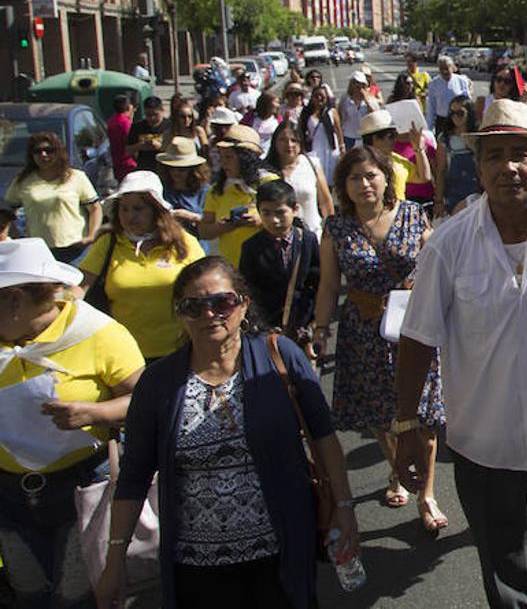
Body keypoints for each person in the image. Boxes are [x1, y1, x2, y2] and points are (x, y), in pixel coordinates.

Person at [396, 98, 527, 608]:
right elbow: (418, 337)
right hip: (483, 444)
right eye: (494, 155)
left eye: (521, 153)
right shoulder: (447, 244)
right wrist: (406, 427)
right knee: (505, 580)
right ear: (480, 167)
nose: (508, 166)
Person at [95, 257, 357, 609]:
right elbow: (133, 477)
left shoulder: (280, 356)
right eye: (193, 306)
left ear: (243, 303)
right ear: (180, 313)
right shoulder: (158, 384)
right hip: (196, 568)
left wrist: (344, 508)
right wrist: (115, 561)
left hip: (280, 554)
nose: (209, 315)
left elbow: (324, 439)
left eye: (222, 302)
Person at [0, 238, 144, 609]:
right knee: (28, 595)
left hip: (80, 491)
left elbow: (146, 402)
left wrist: (94, 414)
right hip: (8, 496)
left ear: (14, 299)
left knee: (75, 600)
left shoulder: (97, 332)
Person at [313, 147, 445, 531]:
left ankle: (427, 494)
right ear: (344, 186)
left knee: (425, 414)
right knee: (379, 416)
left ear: (387, 178)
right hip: (363, 331)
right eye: (355, 178)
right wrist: (321, 330)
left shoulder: (412, 215)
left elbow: (436, 267)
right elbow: (327, 285)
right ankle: (397, 469)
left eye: (371, 175)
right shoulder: (335, 228)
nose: (365, 184)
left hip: (413, 328)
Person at [77, 170, 204, 361]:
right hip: (122, 353)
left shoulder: (183, 242)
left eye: (138, 209)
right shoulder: (108, 243)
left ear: (156, 210)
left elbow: (205, 287)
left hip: (180, 352)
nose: (129, 216)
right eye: (124, 209)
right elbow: (81, 286)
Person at [239, 180, 320, 339]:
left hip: (302, 327)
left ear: (295, 209)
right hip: (266, 329)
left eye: (280, 212)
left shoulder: (307, 241)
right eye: (266, 213)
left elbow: (317, 282)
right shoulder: (251, 247)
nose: (274, 220)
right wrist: (260, 325)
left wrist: (314, 323)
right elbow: (248, 289)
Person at [4, 132, 101, 263]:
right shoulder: (22, 180)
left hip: (76, 249)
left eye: (48, 150)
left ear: (58, 152)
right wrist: (17, 238)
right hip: (39, 251)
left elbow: (95, 208)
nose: (43, 155)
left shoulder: (76, 177)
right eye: (37, 151)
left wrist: (91, 236)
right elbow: (7, 212)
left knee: (75, 284)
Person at [198, 126, 278, 267]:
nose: (224, 163)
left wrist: (261, 221)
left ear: (245, 158)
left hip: (266, 265)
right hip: (230, 267)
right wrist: (223, 227)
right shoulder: (217, 190)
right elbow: (204, 231)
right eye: (221, 156)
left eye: (229, 156)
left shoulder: (270, 183)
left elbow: (288, 217)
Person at [265, 120, 333, 238]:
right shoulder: (265, 170)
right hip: (277, 239)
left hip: (312, 235)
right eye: (283, 140)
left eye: (294, 140)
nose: (289, 144)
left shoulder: (312, 163)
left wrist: (331, 233)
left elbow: (325, 202)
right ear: (275, 142)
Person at [359, 110, 426, 202]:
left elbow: (423, 177)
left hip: (398, 214)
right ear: (375, 138)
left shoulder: (398, 160)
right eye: (391, 136)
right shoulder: (358, 163)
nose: (396, 139)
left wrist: (419, 149)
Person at [433, 95, 480, 219]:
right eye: (452, 113)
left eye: (460, 113)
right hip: (453, 195)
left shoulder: (479, 137)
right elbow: (441, 171)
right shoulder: (445, 139)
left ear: (469, 113)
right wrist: (438, 200)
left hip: (477, 193)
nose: (455, 117)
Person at [157, 136, 211, 238]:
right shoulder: (161, 188)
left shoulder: (205, 191)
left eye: (182, 169)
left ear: (193, 170)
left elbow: (213, 221)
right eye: (172, 168)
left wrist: (189, 216)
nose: (176, 173)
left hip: (197, 243)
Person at [300, 84, 343, 187]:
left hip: (330, 147)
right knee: (316, 172)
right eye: (316, 96)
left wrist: (342, 145)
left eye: (322, 96)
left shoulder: (332, 112)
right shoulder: (306, 113)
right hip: (315, 147)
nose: (319, 98)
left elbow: (338, 129)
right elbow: (301, 130)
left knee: (330, 173)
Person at [425, 56, 472, 137]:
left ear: (452, 67)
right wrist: (429, 128)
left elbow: (468, 102)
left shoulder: (461, 81)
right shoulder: (434, 83)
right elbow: (431, 107)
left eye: (446, 68)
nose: (444, 71)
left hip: (458, 119)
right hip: (442, 120)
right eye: (441, 69)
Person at [125, 96, 167, 173]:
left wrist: (160, 147)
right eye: (148, 115)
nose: (152, 118)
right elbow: (127, 150)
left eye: (155, 114)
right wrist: (140, 146)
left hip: (166, 169)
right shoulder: (137, 127)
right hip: (145, 169)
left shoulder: (169, 126)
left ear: (162, 111)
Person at [338, 71, 379, 151]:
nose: (358, 87)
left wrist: (367, 100)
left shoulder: (370, 99)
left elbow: (375, 115)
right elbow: (340, 116)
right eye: (356, 84)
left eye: (361, 85)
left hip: (365, 137)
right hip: (349, 137)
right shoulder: (345, 99)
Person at [106, 94, 137, 182]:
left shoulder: (111, 120)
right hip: (127, 162)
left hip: (116, 161)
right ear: (128, 107)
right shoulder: (125, 123)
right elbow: (130, 140)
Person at [205, 106, 239, 173]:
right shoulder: (211, 141)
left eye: (226, 126)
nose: (223, 130)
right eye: (218, 127)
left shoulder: (236, 143)